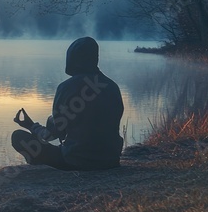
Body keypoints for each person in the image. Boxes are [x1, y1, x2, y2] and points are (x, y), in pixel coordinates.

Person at [11, 37, 124, 171]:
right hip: (111, 160)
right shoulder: (112, 87)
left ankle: (40, 167)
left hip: (75, 161)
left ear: (72, 59)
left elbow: (51, 135)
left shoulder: (66, 87)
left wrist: (31, 126)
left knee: (18, 136)